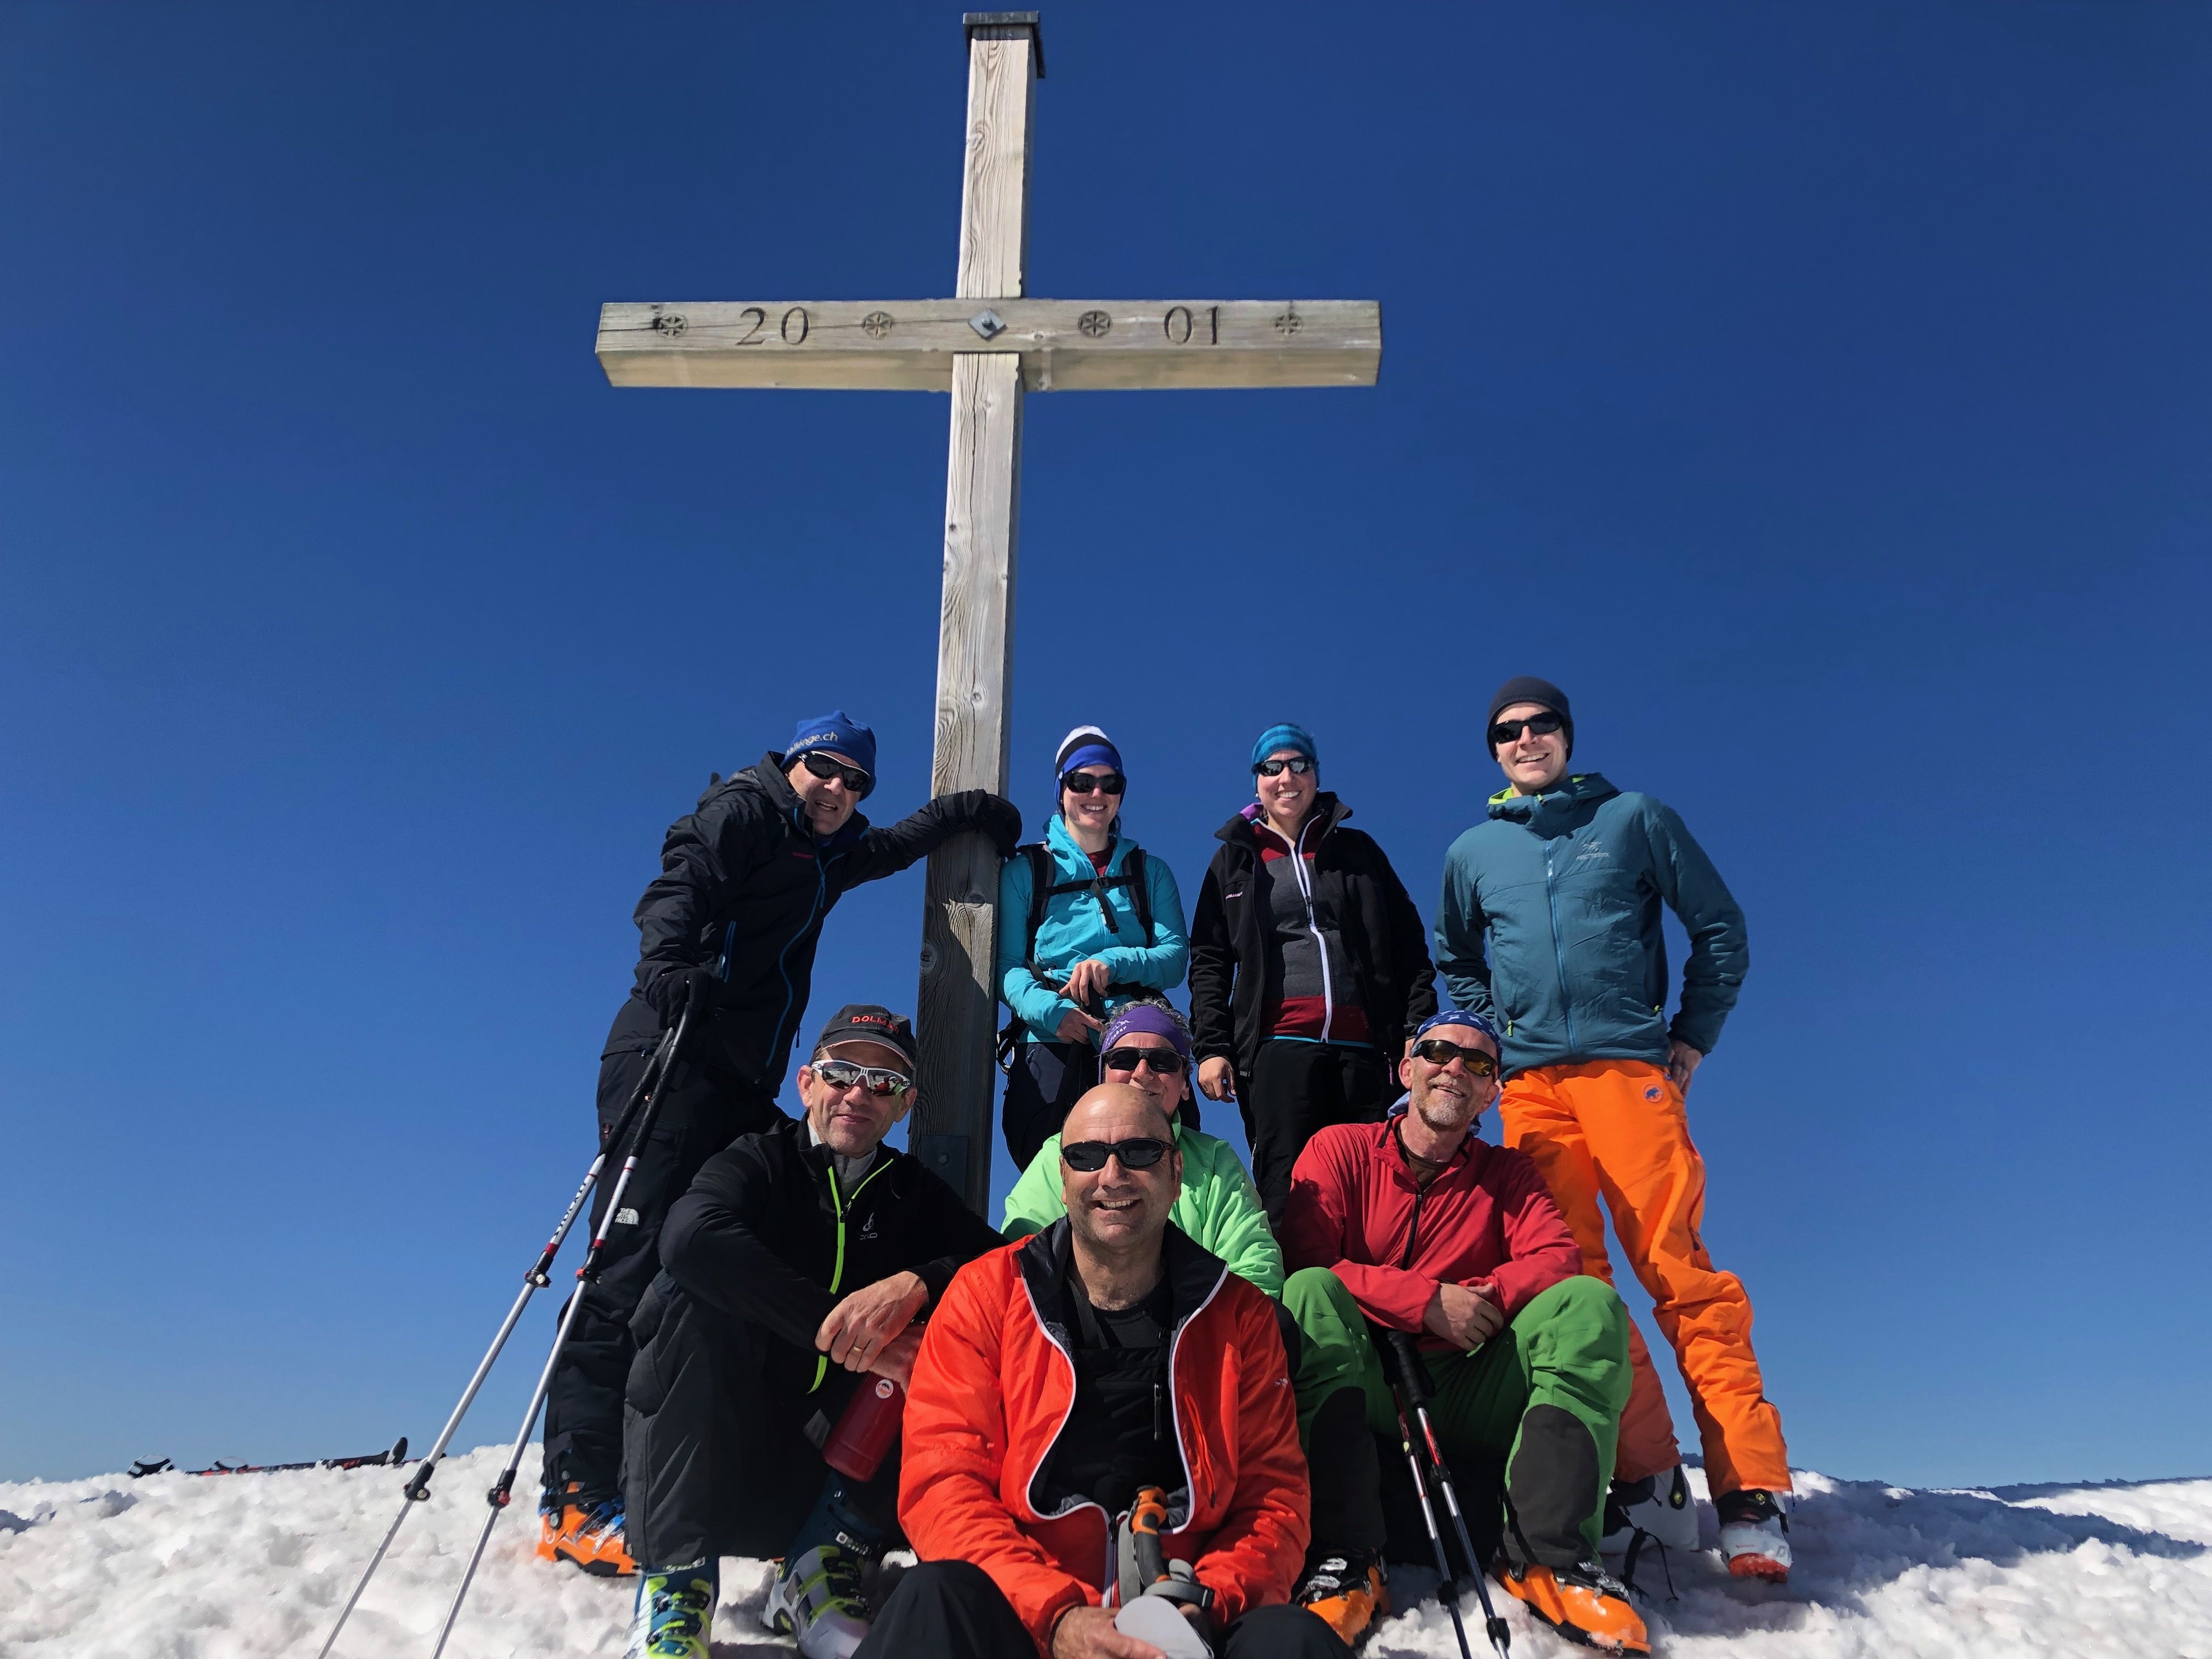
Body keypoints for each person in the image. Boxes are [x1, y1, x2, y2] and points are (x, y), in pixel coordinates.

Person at [542, 712, 1021, 1575]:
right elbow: (680, 882)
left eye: (856, 782)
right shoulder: (745, 811)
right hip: (671, 1048)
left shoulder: (829, 850)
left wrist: (967, 812)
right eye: (825, 771)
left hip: (738, 1077)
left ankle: (648, 1470)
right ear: (791, 763)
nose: (839, 791)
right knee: (630, 1261)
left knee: (732, 1234)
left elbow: (895, 846)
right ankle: (574, 1494)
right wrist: (668, 967)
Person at [1435, 675, 1791, 1582]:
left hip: (1629, 1071)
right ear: (1494, 751)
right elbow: (1456, 956)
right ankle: (1644, 1470)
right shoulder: (1473, 851)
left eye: (1539, 724)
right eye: (1506, 731)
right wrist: (1495, 1038)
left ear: (1566, 733)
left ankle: (1749, 1489)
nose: (1525, 739)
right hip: (1532, 1092)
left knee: (1677, 1270)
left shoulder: (1633, 818)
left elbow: (1720, 927)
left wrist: (1689, 1037)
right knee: (1568, 1286)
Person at [866, 1083, 1340, 1659]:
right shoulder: (986, 1295)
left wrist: (1206, 1603)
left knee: (1294, 1639)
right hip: (1024, 1615)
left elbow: (1273, 1499)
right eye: (1087, 1156)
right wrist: (1058, 1614)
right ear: (1062, 1181)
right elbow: (944, 1484)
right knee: (932, 1596)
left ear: (1175, 1169)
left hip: (1185, 1624)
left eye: (1139, 1152)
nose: (1111, 1175)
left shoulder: (1237, 1313)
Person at [619, 1006, 1008, 1659]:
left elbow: (1002, 1267)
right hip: (718, 1465)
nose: (859, 1093)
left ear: (905, 1106)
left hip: (830, 1476)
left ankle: (819, 1565)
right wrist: (842, 1329)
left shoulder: (911, 1194)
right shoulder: (758, 1161)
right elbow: (689, 1237)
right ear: (806, 1084)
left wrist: (917, 1282)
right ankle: (677, 1588)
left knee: (948, 1338)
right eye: (841, 1073)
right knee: (686, 1299)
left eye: (883, 1083)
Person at [1279, 1011, 1644, 1654]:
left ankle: (1548, 1556)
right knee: (1310, 1295)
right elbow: (1310, 1257)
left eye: (1478, 1064)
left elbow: (1558, 1257)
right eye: (1439, 1052)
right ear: (1406, 1067)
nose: (1455, 1068)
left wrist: (1485, 1298)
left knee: (1589, 1305)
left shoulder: (1508, 1174)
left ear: (1492, 1092)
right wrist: (1422, 1302)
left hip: (1471, 1382)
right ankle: (1345, 1556)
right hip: (1372, 1383)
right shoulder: (1339, 1148)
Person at [1189, 722, 1437, 1222]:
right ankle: (1291, 1299)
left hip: (1368, 1049)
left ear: (1315, 775)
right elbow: (1211, 960)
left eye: (1298, 764)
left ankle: (1375, 1298)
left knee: (1377, 1189)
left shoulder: (1358, 852)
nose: (1286, 777)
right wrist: (1213, 1048)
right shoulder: (1234, 860)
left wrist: (1418, 1028)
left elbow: (1408, 943)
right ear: (1256, 781)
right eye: (1271, 767)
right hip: (1279, 1049)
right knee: (1289, 1190)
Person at [997, 724, 1189, 1169]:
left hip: (1139, 1042)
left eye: (1110, 782)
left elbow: (1175, 958)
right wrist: (1052, 1012)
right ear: (1061, 789)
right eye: (1082, 782)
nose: (1096, 793)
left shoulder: (1151, 872)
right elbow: (1006, 965)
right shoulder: (1026, 871)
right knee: (1052, 1168)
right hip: (1051, 1037)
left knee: (1157, 1167)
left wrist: (1113, 961)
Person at [1002, 1001, 1283, 1298]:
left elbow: (1254, 1268)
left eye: (1163, 1061)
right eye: (1123, 1059)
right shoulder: (1058, 1152)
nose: (1142, 1072)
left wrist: (1204, 1335)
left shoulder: (1215, 1160)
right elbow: (1020, 1262)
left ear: (1185, 1084)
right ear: (1103, 1075)